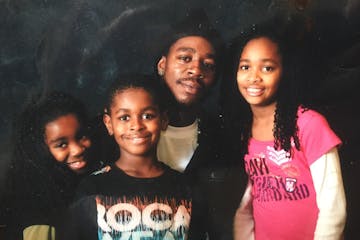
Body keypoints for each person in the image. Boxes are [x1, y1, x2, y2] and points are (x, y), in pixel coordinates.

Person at [224, 21, 347, 239]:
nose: (254, 77)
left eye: (267, 68)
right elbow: (244, 208)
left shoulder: (308, 124)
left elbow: (333, 205)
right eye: (245, 67)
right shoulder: (243, 130)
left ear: (284, 72)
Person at [62, 74, 207, 239]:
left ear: (164, 120)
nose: (136, 126)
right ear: (109, 124)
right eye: (124, 118)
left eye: (148, 116)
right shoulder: (93, 187)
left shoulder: (185, 188)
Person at [156, 9, 248, 239]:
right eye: (185, 58)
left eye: (208, 65)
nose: (196, 70)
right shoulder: (126, 130)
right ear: (162, 65)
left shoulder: (221, 139)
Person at [3, 91, 102, 240]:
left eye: (81, 136)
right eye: (62, 144)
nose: (78, 149)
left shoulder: (100, 176)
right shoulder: (39, 206)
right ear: (41, 149)